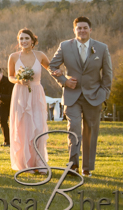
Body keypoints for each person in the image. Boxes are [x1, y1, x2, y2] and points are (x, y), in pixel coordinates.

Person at [48, 16, 112, 176]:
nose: (82, 30)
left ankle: (87, 168)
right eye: (79, 28)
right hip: (72, 96)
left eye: (85, 28)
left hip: (94, 96)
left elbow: (108, 73)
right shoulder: (65, 46)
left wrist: (104, 93)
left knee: (90, 132)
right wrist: (63, 81)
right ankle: (72, 165)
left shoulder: (102, 48)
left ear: (90, 30)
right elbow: (52, 66)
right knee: (74, 129)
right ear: (74, 30)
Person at [7, 28, 50, 172]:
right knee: (23, 129)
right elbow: (10, 77)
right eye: (21, 39)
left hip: (36, 94)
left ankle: (39, 163)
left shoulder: (40, 55)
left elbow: (51, 69)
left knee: (38, 127)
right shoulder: (13, 57)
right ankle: (25, 164)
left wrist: (62, 75)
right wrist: (18, 81)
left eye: (26, 38)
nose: (23, 41)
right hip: (20, 95)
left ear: (32, 40)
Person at [0, 73, 13, 147]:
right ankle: (7, 141)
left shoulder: (9, 81)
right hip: (2, 103)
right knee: (2, 121)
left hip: (12, 103)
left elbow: (12, 96)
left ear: (1, 74)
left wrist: (0, 96)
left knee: (13, 122)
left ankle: (14, 140)